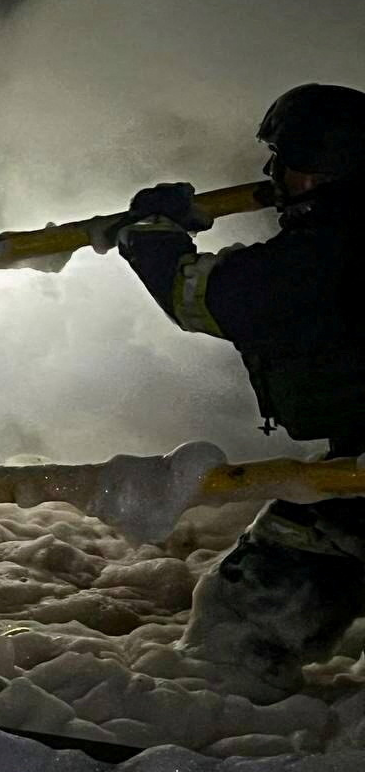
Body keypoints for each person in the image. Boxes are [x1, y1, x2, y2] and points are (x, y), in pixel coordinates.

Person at [99, 83, 365, 689]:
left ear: (334, 169)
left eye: (288, 162)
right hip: (356, 467)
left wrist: (154, 236)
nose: (272, 173)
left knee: (243, 619)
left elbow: (213, 296)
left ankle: (229, 722)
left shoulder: (333, 249)